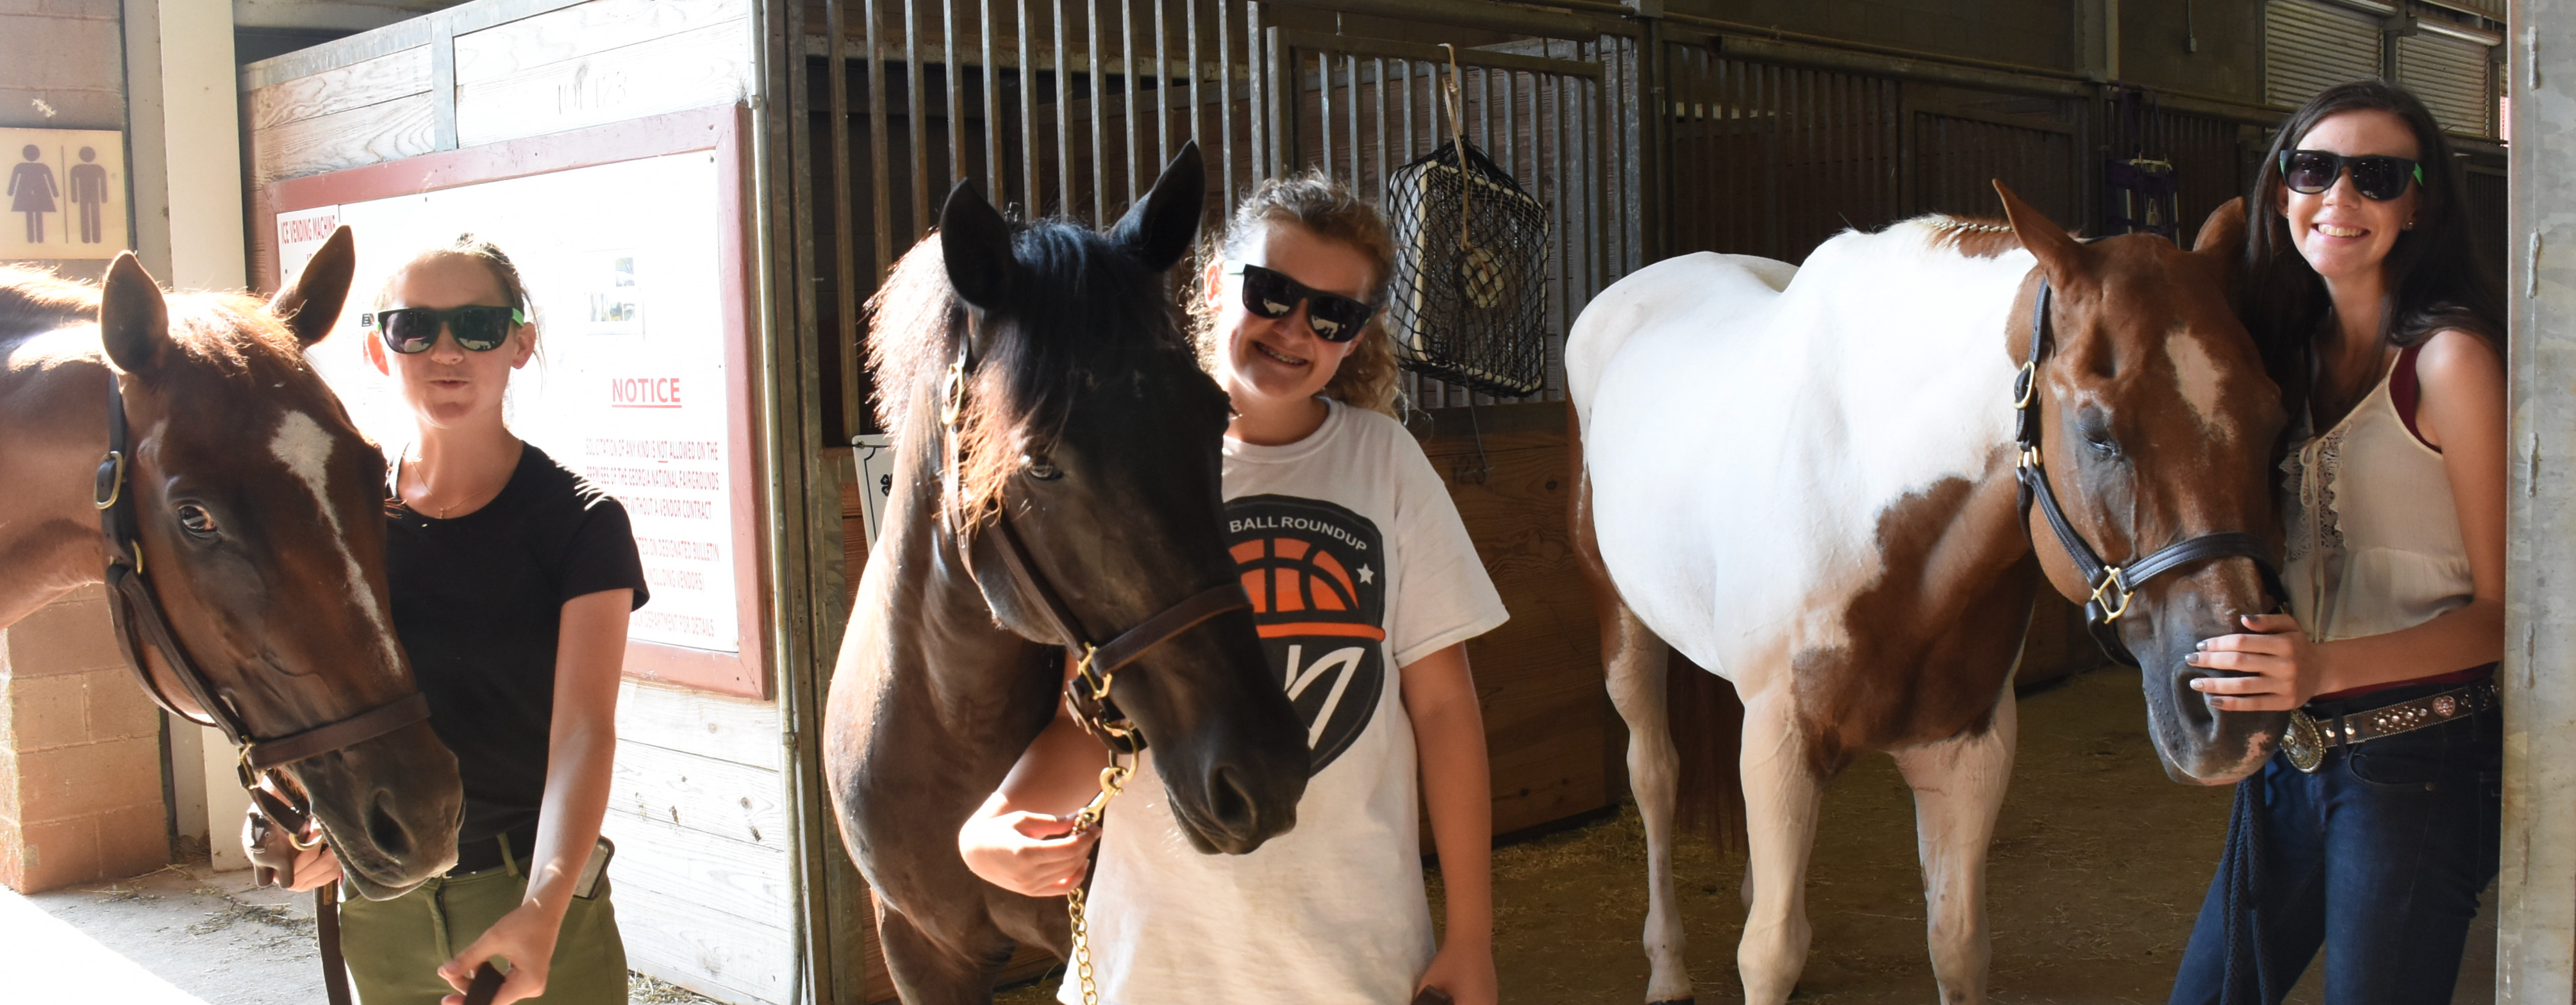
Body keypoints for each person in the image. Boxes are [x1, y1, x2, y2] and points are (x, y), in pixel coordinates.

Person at [957, 173, 1509, 1005]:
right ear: (1215, 283)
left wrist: (1471, 935)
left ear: (1354, 339)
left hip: (1352, 952)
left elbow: (1441, 708)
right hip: (1155, 958)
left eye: (1332, 315)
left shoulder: (1385, 463)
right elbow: (1099, 710)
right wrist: (995, 823)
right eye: (1273, 292)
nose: (1295, 329)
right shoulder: (1128, 469)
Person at [2170, 80, 2507, 1004]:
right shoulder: (2280, 354)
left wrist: (2318, 668)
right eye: (2314, 169)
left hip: (2418, 763)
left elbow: (2505, 617)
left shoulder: (2447, 361)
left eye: (2375, 175)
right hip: (2288, 750)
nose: (2339, 197)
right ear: (2280, 191)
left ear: (2417, 203)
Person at [276, 235, 647, 1005]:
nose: (446, 350)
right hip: (381, 903)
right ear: (381, 351)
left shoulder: (581, 522)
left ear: (520, 343)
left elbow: (583, 731)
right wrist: (299, 819)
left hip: (529, 894)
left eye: (476, 325)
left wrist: (545, 909)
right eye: (414, 327)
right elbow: (309, 690)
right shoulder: (343, 514)